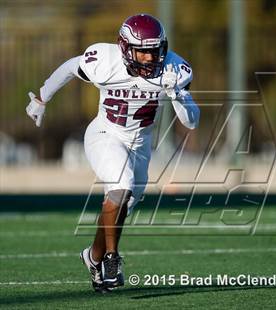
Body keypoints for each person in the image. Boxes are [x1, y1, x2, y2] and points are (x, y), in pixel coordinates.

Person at [25, 14, 200, 292]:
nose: (150, 58)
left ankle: (93, 257)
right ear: (125, 48)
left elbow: (191, 121)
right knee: (121, 187)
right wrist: (42, 97)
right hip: (105, 134)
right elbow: (71, 67)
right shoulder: (105, 61)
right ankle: (111, 258)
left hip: (140, 145)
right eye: (142, 51)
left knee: (119, 206)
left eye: (155, 51)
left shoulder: (173, 70)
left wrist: (178, 94)